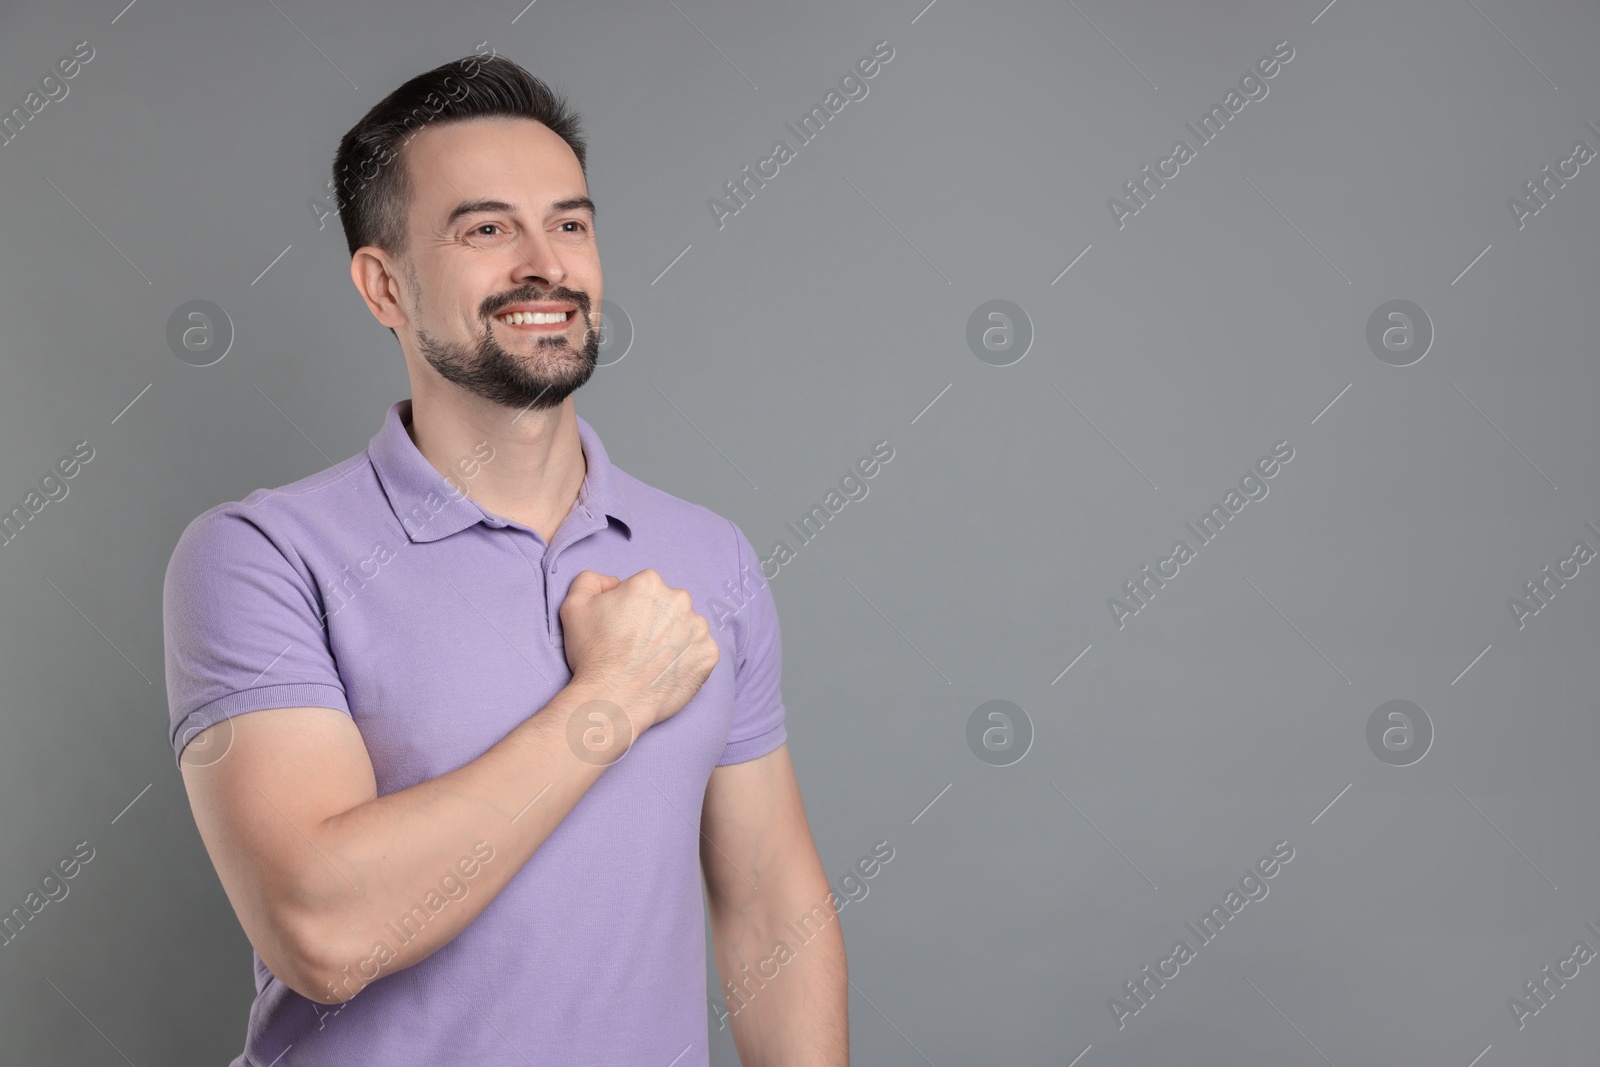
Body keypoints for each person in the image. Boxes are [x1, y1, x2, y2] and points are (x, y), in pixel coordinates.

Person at [162, 51, 847, 1066]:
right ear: (382, 284)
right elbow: (325, 929)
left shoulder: (708, 556)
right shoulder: (262, 556)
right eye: (487, 228)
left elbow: (768, 907)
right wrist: (608, 697)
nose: (547, 263)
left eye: (569, 222)